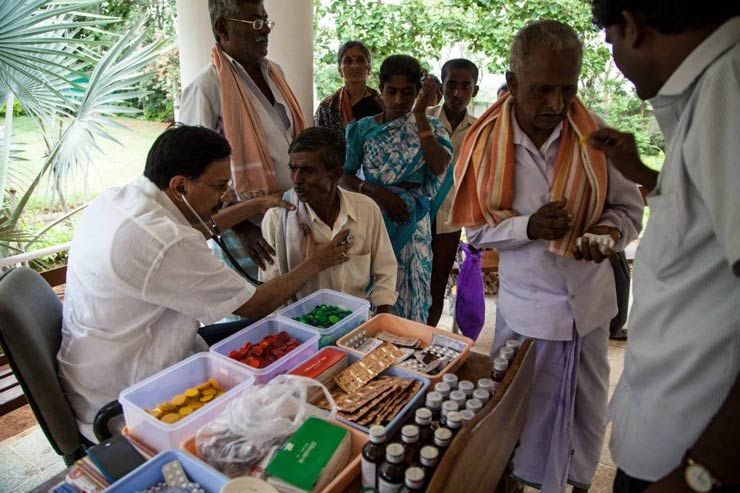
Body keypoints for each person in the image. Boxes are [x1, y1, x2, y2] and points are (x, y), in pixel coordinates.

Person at [57, 125, 350, 440]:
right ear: (180, 185)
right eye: (219, 186)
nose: (224, 198)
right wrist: (317, 261)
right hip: (132, 395)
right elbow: (255, 304)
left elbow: (189, 227)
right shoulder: (166, 242)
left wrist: (256, 205)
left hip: (95, 367)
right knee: (279, 406)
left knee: (281, 338)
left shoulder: (122, 199)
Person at [450, 20, 644, 492]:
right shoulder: (482, 145)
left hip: (589, 308)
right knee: (515, 415)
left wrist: (604, 231)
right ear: (513, 84)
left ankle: (576, 484)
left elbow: (629, 209)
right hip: (525, 313)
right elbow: (474, 230)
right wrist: (528, 228)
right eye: (541, 91)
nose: (556, 105)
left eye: (567, 89)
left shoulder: (596, 134)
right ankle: (512, 480)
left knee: (585, 414)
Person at [586, 3, 740, 492]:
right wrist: (650, 178)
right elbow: (709, 222)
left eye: (610, 44)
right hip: (671, 435)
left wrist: (704, 472)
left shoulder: (727, 88)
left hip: (694, 450)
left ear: (631, 26)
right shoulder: (709, 91)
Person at [180, 0, 306, 272]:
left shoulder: (275, 73)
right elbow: (194, 178)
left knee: (290, 303)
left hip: (288, 217)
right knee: (253, 308)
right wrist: (241, 229)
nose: (266, 31)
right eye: (255, 23)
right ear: (223, 28)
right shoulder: (207, 87)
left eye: (266, 21)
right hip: (247, 234)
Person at [341, 54, 453, 322]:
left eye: (408, 92)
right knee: (374, 288)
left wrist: (420, 116)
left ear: (418, 92)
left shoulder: (432, 127)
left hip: (411, 221)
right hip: (373, 218)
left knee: (412, 288)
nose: (400, 99)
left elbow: (439, 166)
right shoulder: (362, 130)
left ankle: (407, 351)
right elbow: (344, 176)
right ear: (381, 89)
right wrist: (377, 191)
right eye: (392, 91)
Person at [260, 127, 398, 311]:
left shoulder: (366, 210)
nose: (297, 179)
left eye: (308, 170)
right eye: (293, 169)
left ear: (336, 174)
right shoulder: (277, 219)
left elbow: (386, 271)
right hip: (301, 327)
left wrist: (380, 319)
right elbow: (269, 292)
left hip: (354, 322)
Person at [425, 58, 480, 326]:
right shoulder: (423, 119)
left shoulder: (479, 129)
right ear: (441, 86)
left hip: (449, 221)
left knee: (436, 286)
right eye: (451, 85)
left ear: (475, 90)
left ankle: (425, 338)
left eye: (465, 86)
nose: (458, 93)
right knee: (409, 282)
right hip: (418, 217)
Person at [314, 41, 384, 133]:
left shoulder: (381, 104)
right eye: (348, 61)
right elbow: (321, 143)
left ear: (369, 67)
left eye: (360, 60)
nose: (355, 66)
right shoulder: (328, 107)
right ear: (340, 68)